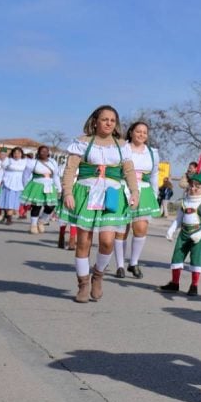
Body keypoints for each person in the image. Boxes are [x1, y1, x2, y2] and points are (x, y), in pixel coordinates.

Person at [57, 106, 142, 303]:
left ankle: (98, 275)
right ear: (95, 121)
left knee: (107, 241)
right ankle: (83, 284)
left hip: (111, 196)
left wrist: (134, 192)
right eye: (105, 119)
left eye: (112, 120)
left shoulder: (122, 145)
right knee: (83, 241)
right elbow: (70, 170)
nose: (109, 123)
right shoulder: (82, 142)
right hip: (86, 193)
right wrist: (68, 192)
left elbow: (129, 171)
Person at [112, 121, 163, 278]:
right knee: (121, 229)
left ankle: (133, 263)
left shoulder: (152, 152)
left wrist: (154, 194)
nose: (141, 135)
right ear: (131, 132)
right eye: (138, 131)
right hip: (123, 188)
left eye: (144, 132)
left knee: (141, 228)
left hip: (144, 190)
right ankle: (120, 265)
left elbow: (154, 174)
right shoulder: (122, 148)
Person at [161, 165, 201, 296]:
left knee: (196, 260)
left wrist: (200, 234)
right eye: (191, 186)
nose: (193, 189)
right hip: (184, 234)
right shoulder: (185, 201)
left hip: (198, 234)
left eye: (197, 186)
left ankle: (194, 285)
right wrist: (171, 229)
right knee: (177, 257)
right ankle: (174, 283)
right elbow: (179, 218)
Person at [20, 145, 61, 233]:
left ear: (48, 153)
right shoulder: (33, 162)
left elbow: (56, 176)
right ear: (38, 153)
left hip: (50, 186)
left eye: (46, 151)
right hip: (37, 185)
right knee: (36, 206)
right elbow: (25, 175)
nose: (44, 153)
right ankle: (33, 225)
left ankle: (41, 221)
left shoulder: (53, 162)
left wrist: (59, 188)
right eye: (42, 151)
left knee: (51, 206)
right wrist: (25, 187)